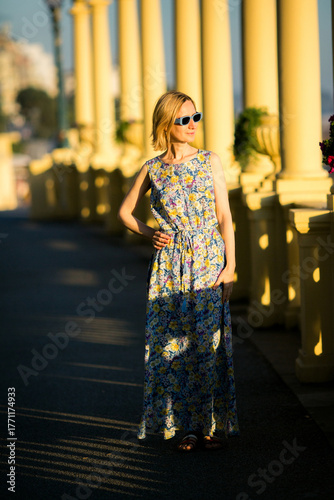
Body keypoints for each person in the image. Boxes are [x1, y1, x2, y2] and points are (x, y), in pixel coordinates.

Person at [118, 90, 240, 451]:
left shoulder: (209, 161)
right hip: (169, 267)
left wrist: (231, 266)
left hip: (207, 259)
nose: (191, 125)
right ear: (165, 124)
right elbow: (125, 213)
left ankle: (208, 426)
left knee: (206, 343)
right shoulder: (153, 168)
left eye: (195, 117)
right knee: (172, 346)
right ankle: (183, 428)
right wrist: (151, 232)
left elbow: (224, 217)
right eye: (183, 119)